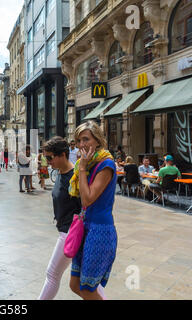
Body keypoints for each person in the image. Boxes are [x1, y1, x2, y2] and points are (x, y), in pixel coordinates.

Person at [69, 121, 117, 300]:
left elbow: (88, 198)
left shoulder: (106, 165)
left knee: (88, 289)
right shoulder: (89, 164)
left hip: (100, 230)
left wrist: (81, 167)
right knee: (75, 284)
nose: (82, 144)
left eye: (86, 139)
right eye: (79, 140)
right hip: (85, 227)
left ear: (97, 140)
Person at [38, 137, 83, 299]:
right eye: (46, 158)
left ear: (63, 155)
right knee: (87, 282)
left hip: (70, 233)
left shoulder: (75, 176)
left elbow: (84, 206)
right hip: (66, 231)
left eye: (50, 157)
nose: (48, 161)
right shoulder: (60, 173)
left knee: (52, 274)